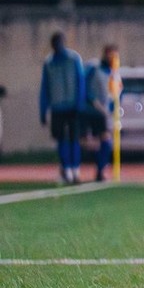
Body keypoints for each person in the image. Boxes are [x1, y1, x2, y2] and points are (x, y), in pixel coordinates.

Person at [39, 32, 85, 184]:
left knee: (74, 139)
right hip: (57, 107)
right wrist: (43, 110)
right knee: (61, 140)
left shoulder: (74, 59)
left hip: (73, 107)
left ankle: (75, 170)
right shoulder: (49, 62)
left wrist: (79, 103)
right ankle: (67, 170)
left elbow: (80, 81)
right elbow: (45, 88)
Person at [83, 44, 119, 182]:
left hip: (103, 113)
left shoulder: (113, 73)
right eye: (111, 55)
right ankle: (71, 170)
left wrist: (112, 108)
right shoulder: (94, 68)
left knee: (106, 141)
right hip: (90, 110)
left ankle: (100, 170)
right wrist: (93, 101)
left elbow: (116, 94)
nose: (113, 58)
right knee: (85, 141)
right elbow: (85, 86)